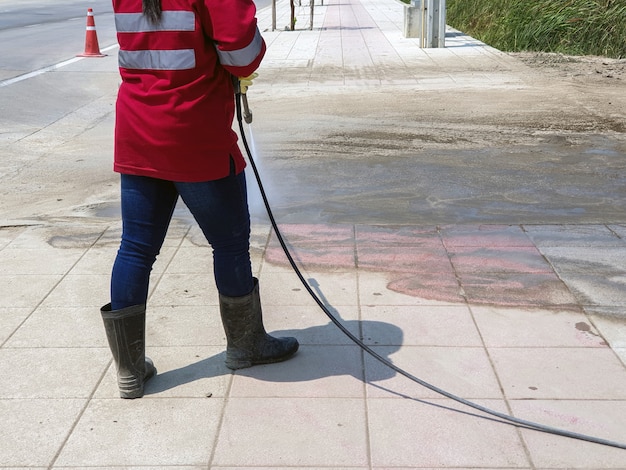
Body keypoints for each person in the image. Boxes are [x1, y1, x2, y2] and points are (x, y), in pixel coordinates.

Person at [100, 0, 299, 399]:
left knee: (136, 249)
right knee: (229, 244)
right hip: (196, 133)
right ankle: (246, 345)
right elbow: (243, 56)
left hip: (139, 129)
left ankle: (130, 370)